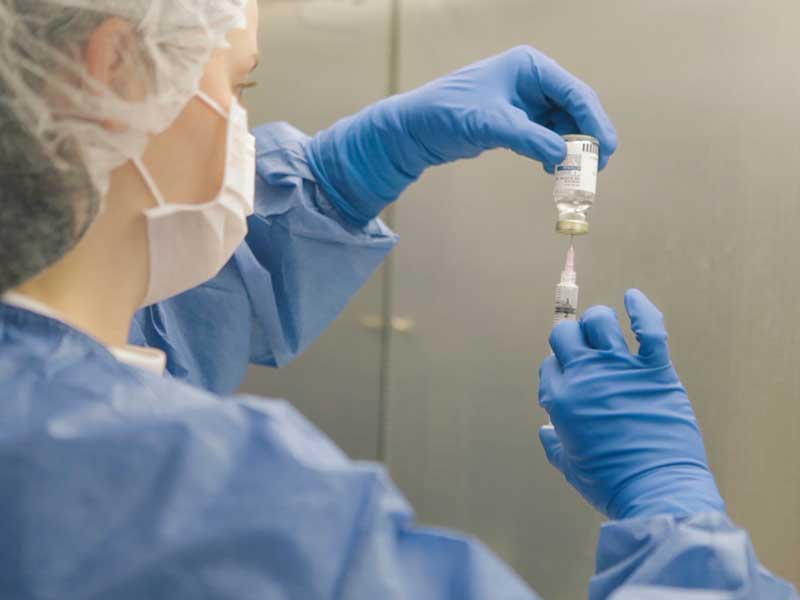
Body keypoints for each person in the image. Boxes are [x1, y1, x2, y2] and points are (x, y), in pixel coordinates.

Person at [0, 1, 794, 598]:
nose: (245, 129)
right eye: (239, 88)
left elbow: (148, 323)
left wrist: (339, 176)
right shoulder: (228, 512)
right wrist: (679, 513)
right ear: (111, 70)